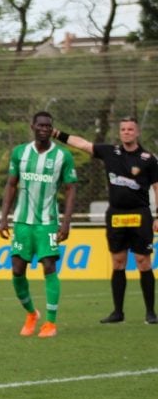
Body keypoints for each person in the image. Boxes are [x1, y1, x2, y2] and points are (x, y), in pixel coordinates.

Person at [52, 117, 158, 324]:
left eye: (130, 129)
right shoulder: (110, 152)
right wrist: (57, 134)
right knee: (118, 262)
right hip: (116, 215)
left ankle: (151, 313)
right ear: (120, 132)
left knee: (143, 262)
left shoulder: (148, 159)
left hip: (140, 214)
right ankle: (117, 313)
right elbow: (82, 144)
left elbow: (156, 186)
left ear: (137, 133)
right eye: (123, 129)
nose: (126, 132)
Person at [0, 111, 77, 338]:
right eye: (40, 125)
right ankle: (32, 313)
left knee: (49, 266)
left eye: (48, 126)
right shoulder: (20, 153)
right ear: (33, 126)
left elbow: (71, 189)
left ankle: (50, 323)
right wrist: (4, 218)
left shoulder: (63, 156)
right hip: (22, 222)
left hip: (48, 222)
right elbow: (11, 185)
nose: (44, 129)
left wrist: (66, 222)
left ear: (52, 129)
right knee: (17, 270)